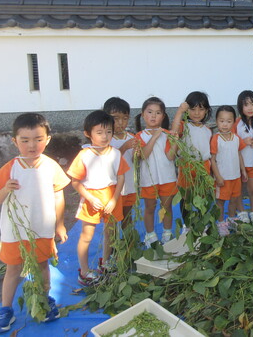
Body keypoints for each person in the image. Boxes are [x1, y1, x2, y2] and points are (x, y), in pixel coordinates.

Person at [0, 113, 70, 334]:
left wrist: (59, 225)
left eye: (38, 139)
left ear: (47, 139)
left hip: (42, 229)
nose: (32, 145)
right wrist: (6, 189)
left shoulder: (51, 166)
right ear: (15, 141)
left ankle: (44, 300)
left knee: (42, 265)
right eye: (25, 140)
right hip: (14, 232)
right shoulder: (11, 168)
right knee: (13, 269)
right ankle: (6, 309)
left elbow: (59, 196)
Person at [68, 110, 128, 286]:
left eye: (108, 132)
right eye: (99, 132)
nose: (105, 136)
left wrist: (114, 199)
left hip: (111, 196)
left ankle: (106, 262)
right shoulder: (84, 155)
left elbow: (121, 177)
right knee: (86, 235)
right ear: (88, 133)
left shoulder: (115, 153)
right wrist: (89, 198)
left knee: (110, 232)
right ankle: (84, 271)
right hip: (91, 198)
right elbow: (75, 181)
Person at [135, 97, 177, 248]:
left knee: (167, 207)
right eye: (150, 112)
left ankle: (167, 234)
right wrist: (154, 137)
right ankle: (150, 236)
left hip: (167, 177)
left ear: (163, 116)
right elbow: (143, 155)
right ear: (143, 114)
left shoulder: (168, 134)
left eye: (158, 113)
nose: (153, 116)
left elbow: (170, 156)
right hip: (149, 179)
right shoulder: (139, 136)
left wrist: (175, 142)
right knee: (150, 207)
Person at [170, 91, 212, 231]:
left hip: (203, 166)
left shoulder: (208, 130)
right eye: (193, 109)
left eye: (201, 109)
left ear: (206, 110)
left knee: (202, 195)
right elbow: (174, 130)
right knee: (186, 196)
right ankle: (187, 224)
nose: (197, 113)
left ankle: (202, 221)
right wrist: (179, 112)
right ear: (187, 110)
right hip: (187, 166)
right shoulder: (184, 126)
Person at [210, 106, 248, 236]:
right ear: (217, 121)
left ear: (234, 122)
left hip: (235, 177)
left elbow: (239, 154)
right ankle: (220, 223)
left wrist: (243, 170)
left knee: (234, 199)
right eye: (222, 121)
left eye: (229, 121)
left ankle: (232, 219)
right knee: (220, 201)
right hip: (223, 178)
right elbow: (212, 159)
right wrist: (218, 176)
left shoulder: (236, 138)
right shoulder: (216, 139)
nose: (225, 124)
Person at [103, 97, 137, 229]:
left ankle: (128, 241)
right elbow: (108, 161)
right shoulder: (106, 139)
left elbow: (135, 160)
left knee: (128, 217)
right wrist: (124, 147)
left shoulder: (132, 137)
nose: (121, 123)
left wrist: (137, 153)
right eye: (115, 118)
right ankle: (112, 242)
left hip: (129, 184)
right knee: (111, 221)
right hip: (113, 188)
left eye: (125, 118)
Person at [234, 90, 253, 221]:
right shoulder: (236, 123)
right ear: (240, 107)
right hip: (238, 164)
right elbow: (230, 142)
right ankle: (242, 212)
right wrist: (242, 142)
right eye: (246, 105)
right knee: (238, 190)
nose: (250, 108)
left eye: (252, 104)